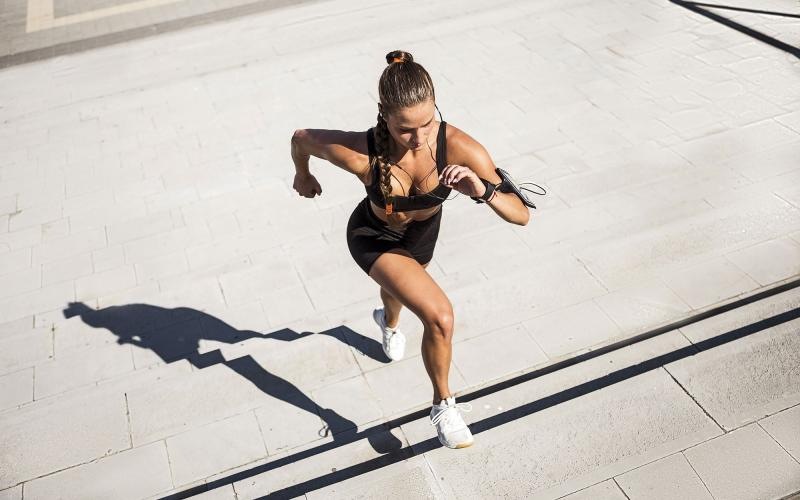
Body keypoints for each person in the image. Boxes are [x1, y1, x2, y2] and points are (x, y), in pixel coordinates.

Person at [290, 50, 530, 449]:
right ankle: (444, 405)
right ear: (383, 113)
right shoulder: (360, 152)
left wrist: (482, 190)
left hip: (421, 237)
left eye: (427, 122)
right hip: (372, 236)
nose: (418, 138)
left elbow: (521, 215)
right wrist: (302, 174)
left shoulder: (460, 147)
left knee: (400, 290)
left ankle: (387, 319)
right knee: (440, 316)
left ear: (436, 105)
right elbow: (301, 138)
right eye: (405, 130)